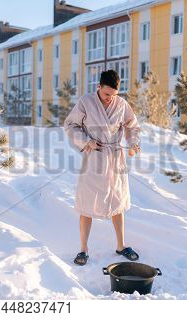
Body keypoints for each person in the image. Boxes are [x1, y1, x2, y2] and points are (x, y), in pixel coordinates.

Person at [63, 69, 141, 266]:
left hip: (115, 158)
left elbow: (132, 126)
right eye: (107, 94)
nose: (109, 99)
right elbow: (70, 126)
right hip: (94, 158)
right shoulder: (85, 102)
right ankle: (83, 249)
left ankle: (121, 245)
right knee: (87, 204)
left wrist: (133, 143)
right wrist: (86, 141)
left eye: (113, 95)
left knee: (118, 202)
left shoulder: (122, 104)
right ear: (98, 87)